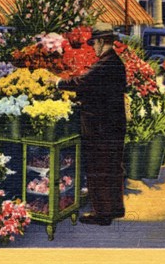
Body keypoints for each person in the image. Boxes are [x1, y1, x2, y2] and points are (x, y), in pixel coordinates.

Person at [53, 22, 127, 226]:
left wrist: (58, 83)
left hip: (100, 126)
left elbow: (83, 82)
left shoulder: (104, 63)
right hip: (114, 123)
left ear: (102, 42)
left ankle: (102, 213)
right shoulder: (116, 62)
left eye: (94, 43)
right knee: (113, 168)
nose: (93, 47)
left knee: (98, 168)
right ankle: (115, 208)